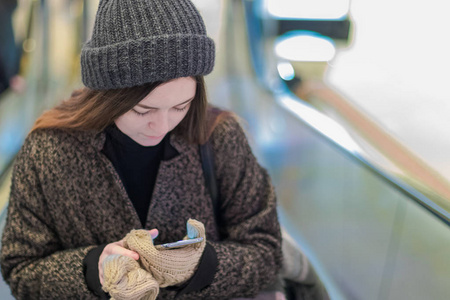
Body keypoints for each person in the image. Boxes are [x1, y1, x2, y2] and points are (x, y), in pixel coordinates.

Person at [0, 0, 282, 299]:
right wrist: (94, 269)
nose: (161, 125)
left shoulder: (220, 137)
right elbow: (21, 269)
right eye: (142, 110)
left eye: (180, 106)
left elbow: (266, 250)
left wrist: (201, 266)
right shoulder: (49, 150)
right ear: (107, 97)